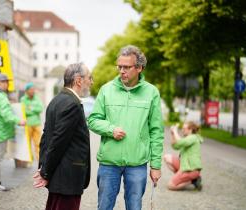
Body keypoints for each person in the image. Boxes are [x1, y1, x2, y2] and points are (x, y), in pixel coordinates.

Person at [87, 45, 164, 210]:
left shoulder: (152, 93)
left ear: (139, 68)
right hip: (109, 162)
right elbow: (93, 120)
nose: (122, 71)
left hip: (137, 163)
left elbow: (156, 131)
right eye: (119, 66)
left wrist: (156, 165)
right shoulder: (106, 90)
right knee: (104, 206)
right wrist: (111, 129)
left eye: (127, 67)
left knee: (134, 207)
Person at [33, 63, 93, 210]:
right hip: (67, 177)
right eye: (90, 78)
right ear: (78, 80)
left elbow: (46, 137)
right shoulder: (72, 103)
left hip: (60, 176)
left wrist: (43, 167)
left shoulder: (56, 100)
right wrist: (45, 172)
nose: (91, 82)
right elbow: (57, 141)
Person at [0, 73, 25, 192]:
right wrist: (19, 121)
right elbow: (6, 115)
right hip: (0, 132)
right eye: (6, 82)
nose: (8, 84)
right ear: (0, 83)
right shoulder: (1, 97)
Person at [164, 121, 203, 191]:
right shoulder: (187, 139)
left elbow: (181, 142)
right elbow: (175, 146)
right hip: (185, 165)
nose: (182, 130)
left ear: (190, 129)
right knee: (167, 157)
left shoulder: (193, 137)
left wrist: (175, 131)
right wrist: (173, 134)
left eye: (184, 128)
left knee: (170, 185)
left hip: (191, 168)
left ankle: (192, 181)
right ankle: (184, 177)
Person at [21, 82, 43, 160]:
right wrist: (33, 109)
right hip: (28, 124)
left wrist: (31, 108)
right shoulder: (23, 99)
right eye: (31, 89)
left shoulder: (37, 98)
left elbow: (40, 108)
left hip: (37, 124)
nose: (33, 91)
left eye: (33, 89)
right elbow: (24, 111)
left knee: (38, 143)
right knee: (28, 143)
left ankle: (39, 159)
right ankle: (29, 159)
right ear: (27, 91)